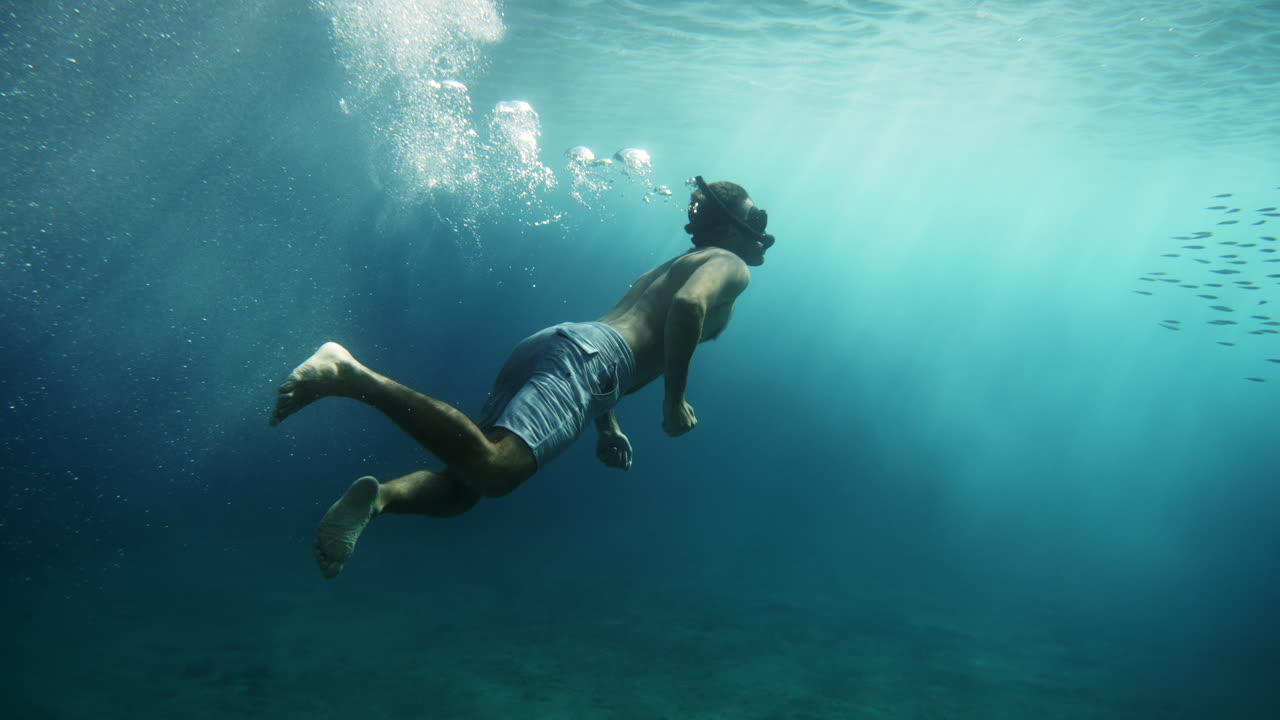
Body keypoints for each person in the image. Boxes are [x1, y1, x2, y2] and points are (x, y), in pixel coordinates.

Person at [270, 177, 775, 578]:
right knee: (498, 470)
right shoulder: (729, 262)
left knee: (465, 486)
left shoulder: (680, 262)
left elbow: (635, 343)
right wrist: (674, 402)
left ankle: (377, 499)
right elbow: (686, 309)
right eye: (756, 218)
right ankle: (348, 373)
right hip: (591, 359)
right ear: (730, 228)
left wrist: (607, 425)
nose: (762, 229)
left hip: (565, 345)